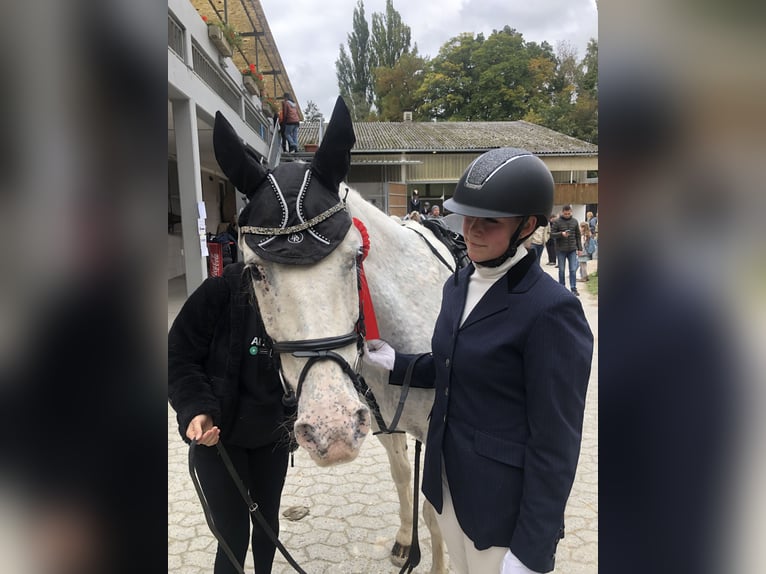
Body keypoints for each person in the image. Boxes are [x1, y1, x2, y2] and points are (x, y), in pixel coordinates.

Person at [364, 148, 593, 574]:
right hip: (447, 488)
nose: (471, 230)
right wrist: (398, 363)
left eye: (490, 220)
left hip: (500, 510)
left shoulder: (552, 311)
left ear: (527, 226)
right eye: (467, 216)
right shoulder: (458, 284)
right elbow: (454, 367)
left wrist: (531, 550)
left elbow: (557, 445)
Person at [168, 262, 294, 574]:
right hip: (219, 440)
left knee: (267, 526)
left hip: (273, 437)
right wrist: (197, 408)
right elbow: (178, 356)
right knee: (233, 534)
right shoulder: (219, 292)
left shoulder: (298, 299)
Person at [550, 205, 582, 296]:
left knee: (572, 269)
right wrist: (561, 234)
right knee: (561, 270)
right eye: (565, 214)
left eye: (569, 213)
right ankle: (562, 288)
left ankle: (573, 288)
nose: (567, 215)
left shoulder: (575, 221)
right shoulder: (557, 222)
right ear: (562, 212)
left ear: (571, 212)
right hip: (561, 249)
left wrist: (580, 248)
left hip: (572, 249)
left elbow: (578, 236)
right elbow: (552, 235)